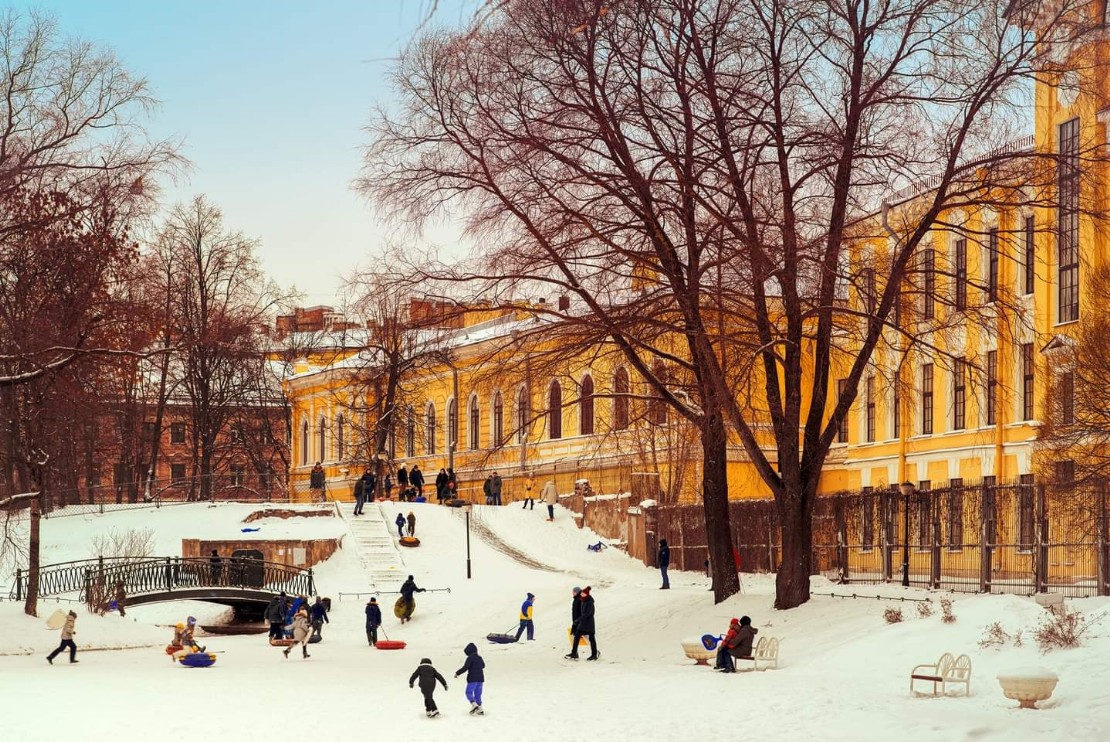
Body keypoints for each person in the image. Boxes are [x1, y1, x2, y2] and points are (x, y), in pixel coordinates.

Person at [567, 585, 598, 661]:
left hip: (588, 623)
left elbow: (586, 614)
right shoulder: (583, 600)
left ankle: (595, 654)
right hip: (582, 623)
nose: (582, 594)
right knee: (576, 637)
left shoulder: (589, 602)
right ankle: (574, 653)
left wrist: (578, 620)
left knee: (591, 638)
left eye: (583, 594)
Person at [454, 642, 486, 715]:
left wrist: (457, 673)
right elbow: (483, 665)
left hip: (472, 679)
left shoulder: (470, 658)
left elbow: (465, 667)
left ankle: (474, 704)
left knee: (468, 692)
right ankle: (480, 708)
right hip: (480, 679)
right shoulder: (479, 657)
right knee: (478, 694)